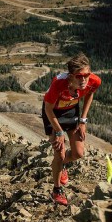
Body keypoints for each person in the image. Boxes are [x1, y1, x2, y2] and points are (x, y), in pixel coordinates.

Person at [42, 53, 101, 206]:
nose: (83, 80)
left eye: (86, 75)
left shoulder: (94, 81)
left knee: (78, 153)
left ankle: (60, 165)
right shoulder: (58, 84)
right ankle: (56, 190)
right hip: (53, 113)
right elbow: (48, 109)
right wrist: (59, 131)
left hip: (71, 111)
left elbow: (90, 94)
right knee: (59, 153)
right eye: (79, 76)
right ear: (70, 76)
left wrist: (83, 120)